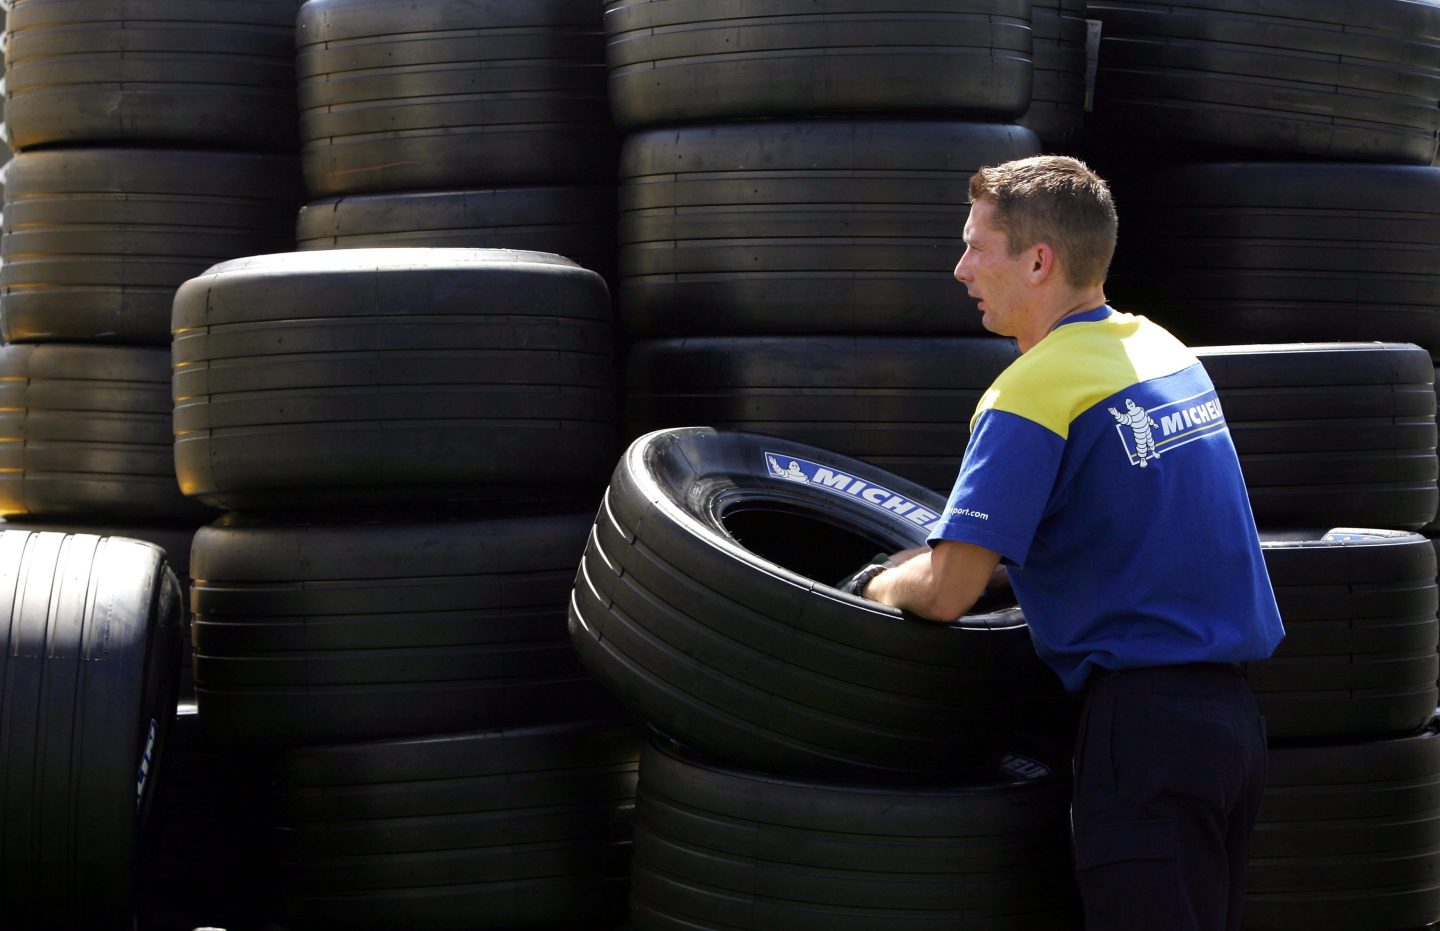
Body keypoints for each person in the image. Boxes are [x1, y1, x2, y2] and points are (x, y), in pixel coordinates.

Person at [848, 155, 1284, 931]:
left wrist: (881, 584)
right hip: (1230, 729)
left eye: (977, 246)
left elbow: (948, 590)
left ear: (1038, 259)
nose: (960, 269)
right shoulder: (1164, 354)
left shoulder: (1033, 390)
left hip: (1142, 733)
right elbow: (1122, 530)